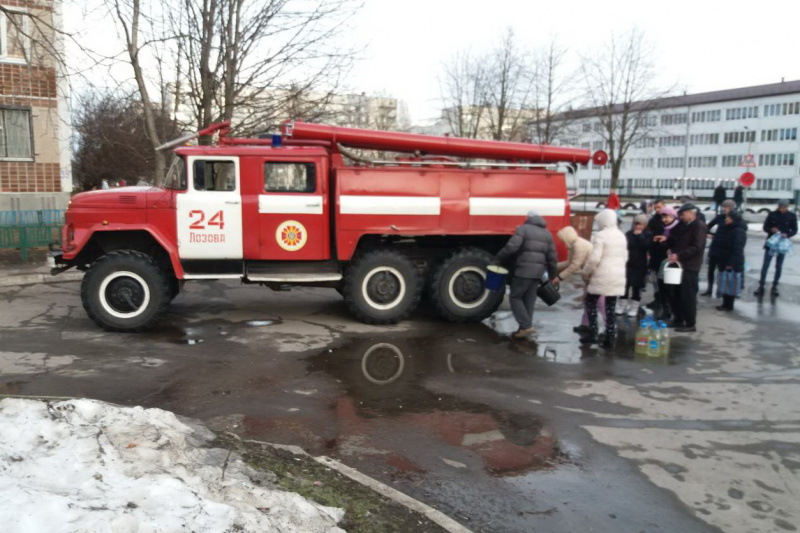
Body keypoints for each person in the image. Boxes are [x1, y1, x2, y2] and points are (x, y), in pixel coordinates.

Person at [495, 210, 558, 338]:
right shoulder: (547, 234)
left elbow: (512, 247)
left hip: (523, 271)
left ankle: (526, 326)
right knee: (529, 299)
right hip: (537, 274)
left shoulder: (523, 229)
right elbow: (552, 257)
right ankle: (523, 329)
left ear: (527, 218)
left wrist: (498, 258)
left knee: (515, 297)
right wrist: (552, 275)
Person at [656, 203, 707, 333]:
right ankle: (678, 318)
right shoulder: (683, 225)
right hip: (677, 265)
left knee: (687, 296)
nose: (680, 217)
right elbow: (674, 239)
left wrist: (679, 255)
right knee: (675, 294)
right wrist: (665, 241)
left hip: (690, 266)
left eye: (683, 214)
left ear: (691, 213)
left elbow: (697, 247)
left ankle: (690, 323)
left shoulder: (699, 226)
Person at [580, 209, 628, 347]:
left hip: (602, 275)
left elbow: (595, 258)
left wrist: (586, 272)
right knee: (610, 306)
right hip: (618, 275)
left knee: (590, 302)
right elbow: (625, 257)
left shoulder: (601, 235)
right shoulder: (621, 235)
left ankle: (593, 333)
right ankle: (610, 336)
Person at [553, 225, 596, 335]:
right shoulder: (573, 245)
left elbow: (574, 266)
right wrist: (553, 266)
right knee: (587, 301)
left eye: (563, 239)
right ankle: (585, 324)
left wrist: (559, 277)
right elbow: (568, 262)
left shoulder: (578, 245)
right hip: (589, 275)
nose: (562, 242)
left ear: (567, 237)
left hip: (594, 275)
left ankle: (593, 327)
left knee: (594, 302)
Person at [754, 199, 798, 297]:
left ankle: (775, 286)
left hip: (782, 243)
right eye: (780, 207)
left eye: (783, 207)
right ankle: (761, 285)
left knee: (779, 266)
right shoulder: (772, 214)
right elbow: (765, 227)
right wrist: (771, 229)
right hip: (771, 242)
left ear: (786, 207)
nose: (781, 209)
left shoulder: (791, 216)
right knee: (765, 265)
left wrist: (788, 234)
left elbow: (795, 230)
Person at [648, 205, 679, 320]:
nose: (665, 220)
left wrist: (667, 240)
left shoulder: (678, 228)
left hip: (671, 263)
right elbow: (653, 246)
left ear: (673, 216)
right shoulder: (659, 227)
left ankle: (672, 311)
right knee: (660, 286)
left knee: (670, 288)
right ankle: (665, 310)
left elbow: (678, 243)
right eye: (663, 217)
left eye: (667, 217)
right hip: (658, 261)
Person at [702, 199, 737, 295]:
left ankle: (719, 289)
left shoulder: (734, 219)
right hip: (715, 247)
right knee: (711, 269)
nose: (724, 209)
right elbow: (707, 226)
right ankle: (709, 289)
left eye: (726, 207)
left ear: (731, 208)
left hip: (724, 249)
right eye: (723, 207)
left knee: (721, 270)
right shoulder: (720, 217)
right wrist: (711, 234)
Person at [714, 210, 747, 311]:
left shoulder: (738, 231)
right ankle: (725, 303)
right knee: (725, 281)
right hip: (725, 259)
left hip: (732, 261)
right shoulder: (728, 228)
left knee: (731, 282)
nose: (726, 219)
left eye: (728, 217)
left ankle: (729, 305)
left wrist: (731, 263)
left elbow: (737, 249)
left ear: (734, 219)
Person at [618, 214, 651, 317]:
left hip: (640, 265)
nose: (637, 226)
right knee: (625, 285)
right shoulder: (628, 234)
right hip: (628, 264)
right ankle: (622, 306)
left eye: (640, 224)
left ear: (644, 225)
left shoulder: (648, 234)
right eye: (636, 224)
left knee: (637, 287)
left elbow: (646, 246)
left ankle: (634, 307)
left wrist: (639, 236)